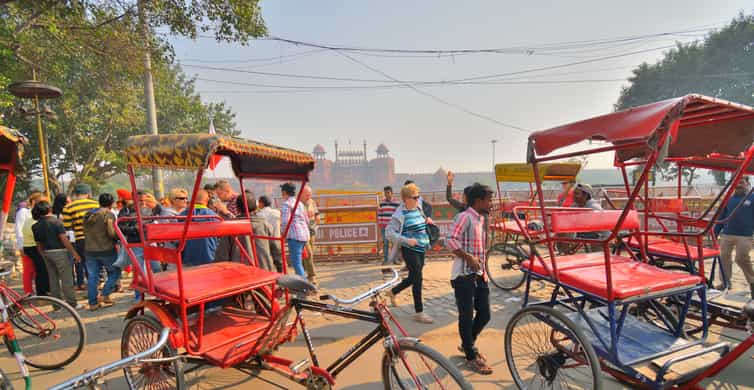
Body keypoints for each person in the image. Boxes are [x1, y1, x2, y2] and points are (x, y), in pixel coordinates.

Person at [446, 183, 494, 375]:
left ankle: (467, 344)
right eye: (489, 200)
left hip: (479, 274)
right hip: (463, 276)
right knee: (466, 317)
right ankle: (470, 355)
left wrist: (483, 270)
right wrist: (468, 258)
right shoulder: (464, 217)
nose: (491, 203)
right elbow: (450, 240)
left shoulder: (481, 220)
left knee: (485, 314)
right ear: (478, 200)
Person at [385, 183, 433, 324]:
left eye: (418, 196)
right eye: (415, 197)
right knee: (418, 278)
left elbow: (420, 223)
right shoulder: (399, 215)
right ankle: (419, 312)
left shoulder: (418, 208)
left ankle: (393, 291)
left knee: (413, 277)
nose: (418, 199)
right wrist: (406, 240)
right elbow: (389, 233)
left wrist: (426, 221)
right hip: (409, 250)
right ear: (406, 199)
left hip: (421, 248)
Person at [32, 201, 83, 309]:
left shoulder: (35, 226)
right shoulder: (56, 222)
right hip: (60, 252)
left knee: (53, 279)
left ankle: (56, 305)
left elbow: (38, 244)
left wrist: (42, 254)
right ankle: (72, 303)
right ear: (49, 209)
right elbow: (64, 240)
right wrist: (74, 253)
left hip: (46, 253)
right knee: (66, 278)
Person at [715, 177, 754, 297]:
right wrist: (714, 233)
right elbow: (721, 217)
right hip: (727, 234)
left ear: (748, 184)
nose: (739, 185)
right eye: (737, 183)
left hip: (745, 235)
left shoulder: (752, 198)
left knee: (741, 258)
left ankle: (752, 282)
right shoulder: (728, 199)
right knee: (724, 258)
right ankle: (725, 282)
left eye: (742, 182)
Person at [83, 193, 120, 311]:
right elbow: (111, 233)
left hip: (89, 250)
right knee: (115, 272)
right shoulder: (108, 214)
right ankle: (104, 294)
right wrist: (118, 238)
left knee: (93, 276)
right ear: (111, 203)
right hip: (106, 250)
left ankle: (93, 303)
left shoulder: (88, 214)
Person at [62, 184, 99, 291]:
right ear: (88, 193)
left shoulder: (68, 207)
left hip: (80, 240)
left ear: (75, 194)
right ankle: (96, 288)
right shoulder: (96, 204)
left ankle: (91, 289)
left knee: (85, 264)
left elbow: (68, 228)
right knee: (96, 265)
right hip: (96, 239)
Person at [236, 192, 276, 271]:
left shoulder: (230, 227)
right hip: (264, 269)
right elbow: (275, 248)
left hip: (239, 272)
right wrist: (279, 266)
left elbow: (222, 255)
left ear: (237, 208)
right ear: (256, 207)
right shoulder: (265, 224)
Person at [179, 190, 218, 267]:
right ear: (207, 201)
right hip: (209, 260)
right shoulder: (214, 216)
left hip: (188, 259)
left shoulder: (182, 216)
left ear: (192, 199)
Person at [20, 192, 49, 296]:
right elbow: (20, 231)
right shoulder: (27, 216)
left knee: (38, 270)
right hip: (33, 246)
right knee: (38, 270)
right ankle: (38, 292)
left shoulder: (29, 219)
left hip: (29, 246)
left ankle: (39, 291)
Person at [279, 183, 310, 278]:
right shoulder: (299, 203)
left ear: (284, 192)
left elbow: (285, 222)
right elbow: (307, 220)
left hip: (295, 236)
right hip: (304, 235)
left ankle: (304, 287)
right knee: (299, 262)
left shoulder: (286, 204)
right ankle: (303, 283)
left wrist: (282, 234)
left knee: (296, 263)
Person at [15, 193, 36, 295]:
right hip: (26, 245)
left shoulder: (33, 212)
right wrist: (21, 246)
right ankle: (28, 291)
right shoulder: (23, 212)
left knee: (36, 269)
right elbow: (19, 230)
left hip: (35, 244)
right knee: (28, 269)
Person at [257, 195, 283, 272]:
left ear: (262, 203)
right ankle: (281, 274)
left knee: (267, 258)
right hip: (277, 238)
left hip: (266, 239)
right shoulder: (277, 212)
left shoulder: (259, 214)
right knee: (278, 259)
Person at [377, 186, 400, 265]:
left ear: (391, 193)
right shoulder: (382, 203)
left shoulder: (397, 203)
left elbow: (398, 215)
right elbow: (379, 215)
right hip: (384, 227)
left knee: (394, 244)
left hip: (393, 227)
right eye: (385, 193)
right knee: (386, 244)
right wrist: (380, 225)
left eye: (388, 193)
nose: (386, 194)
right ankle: (386, 260)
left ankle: (395, 260)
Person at [303, 186, 319, 284]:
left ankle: (304, 272)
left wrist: (317, 217)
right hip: (302, 231)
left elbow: (316, 213)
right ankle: (311, 276)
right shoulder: (298, 203)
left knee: (310, 253)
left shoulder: (312, 202)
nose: (309, 196)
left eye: (310, 194)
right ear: (301, 194)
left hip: (312, 230)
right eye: (307, 194)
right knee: (308, 253)